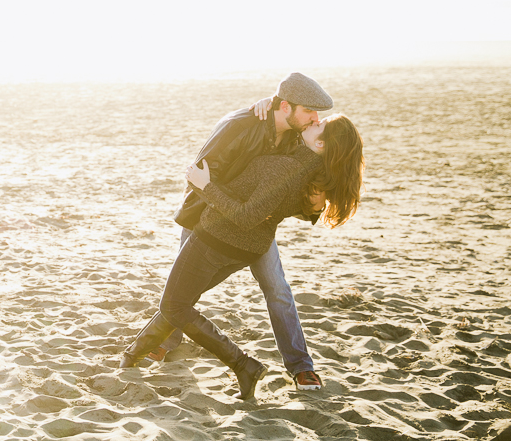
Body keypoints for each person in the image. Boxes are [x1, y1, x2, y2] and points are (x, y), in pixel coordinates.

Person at [120, 115, 365, 400]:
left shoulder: (288, 168)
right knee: (179, 299)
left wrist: (205, 185)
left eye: (318, 125)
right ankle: (133, 354)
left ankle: (244, 365)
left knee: (175, 304)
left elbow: (246, 216)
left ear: (321, 142)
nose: (313, 122)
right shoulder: (311, 173)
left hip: (217, 238)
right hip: (244, 249)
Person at [155, 72, 333, 392]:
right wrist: (231, 213)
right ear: (285, 107)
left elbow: (288, 189)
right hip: (208, 219)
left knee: (277, 288)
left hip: (256, 228)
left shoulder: (297, 136)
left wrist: (311, 207)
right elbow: (201, 175)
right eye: (309, 111)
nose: (315, 119)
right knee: (184, 290)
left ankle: (301, 367)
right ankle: (166, 342)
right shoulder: (240, 126)